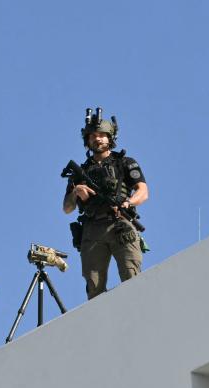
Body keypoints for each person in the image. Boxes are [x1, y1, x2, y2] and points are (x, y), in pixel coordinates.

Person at [63, 108, 149, 300]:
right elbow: (67, 208)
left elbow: (143, 191)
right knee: (94, 287)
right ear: (87, 140)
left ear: (110, 138)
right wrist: (76, 192)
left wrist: (128, 203)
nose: (98, 139)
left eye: (102, 135)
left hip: (121, 224)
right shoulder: (80, 172)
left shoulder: (124, 162)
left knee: (131, 277)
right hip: (92, 230)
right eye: (93, 136)